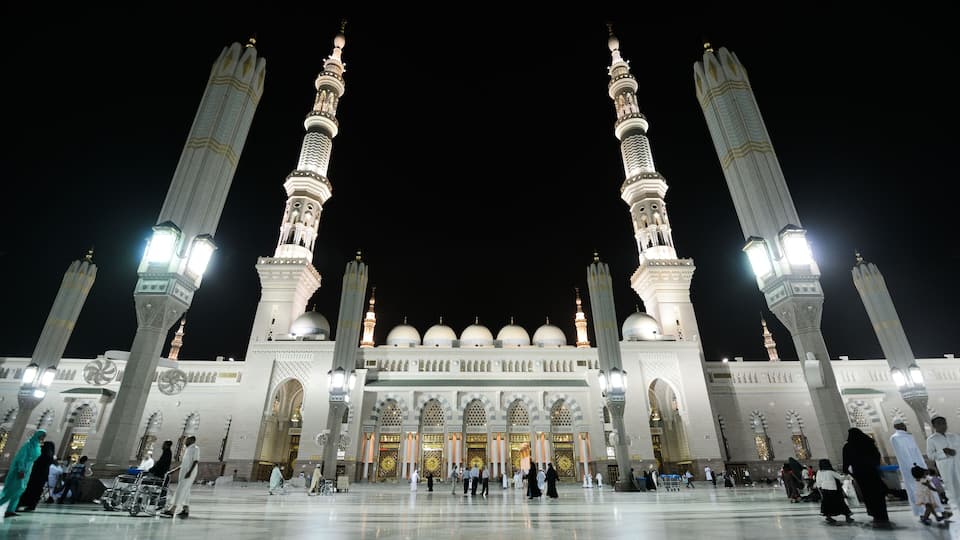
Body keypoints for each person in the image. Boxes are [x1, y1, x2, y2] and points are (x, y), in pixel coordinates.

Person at [890, 422, 942, 517]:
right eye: (902, 425)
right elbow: (903, 455)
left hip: (918, 466)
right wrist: (914, 467)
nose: (904, 426)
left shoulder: (909, 436)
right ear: (897, 426)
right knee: (918, 491)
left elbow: (916, 452)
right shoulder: (895, 438)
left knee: (927, 493)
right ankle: (923, 514)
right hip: (912, 470)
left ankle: (935, 512)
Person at [843, 427, 890, 527]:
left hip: (861, 475)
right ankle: (883, 515)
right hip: (872, 473)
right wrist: (873, 466)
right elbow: (877, 456)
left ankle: (875, 516)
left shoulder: (848, 446)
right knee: (878, 494)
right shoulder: (868, 443)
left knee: (869, 495)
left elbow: (846, 462)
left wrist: (849, 472)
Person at [0, 429, 45, 517]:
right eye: (42, 435)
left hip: (28, 469)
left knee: (20, 490)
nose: (43, 438)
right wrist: (21, 469)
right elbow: (22, 458)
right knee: (14, 489)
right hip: (21, 469)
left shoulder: (37, 446)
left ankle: (10, 510)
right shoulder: (28, 445)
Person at [161, 435, 199, 518]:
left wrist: (189, 472)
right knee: (186, 490)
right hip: (184, 472)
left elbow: (195, 461)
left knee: (181, 489)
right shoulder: (187, 449)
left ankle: (173, 509)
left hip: (189, 473)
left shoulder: (195, 448)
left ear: (192, 440)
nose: (185, 442)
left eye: (187, 440)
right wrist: (173, 470)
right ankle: (185, 509)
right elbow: (183, 464)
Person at [927, 416, 960, 512]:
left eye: (944, 423)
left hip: (958, 465)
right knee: (953, 489)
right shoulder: (932, 439)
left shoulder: (954, 436)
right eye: (939, 423)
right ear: (934, 426)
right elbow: (931, 455)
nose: (943, 425)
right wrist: (943, 451)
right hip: (947, 469)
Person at [19, 441, 56, 511]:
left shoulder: (41, 453)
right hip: (43, 475)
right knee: (37, 490)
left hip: (35, 474)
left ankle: (22, 503)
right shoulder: (51, 456)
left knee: (30, 488)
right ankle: (32, 505)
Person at [815, 459, 854, 524]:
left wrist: (820, 489)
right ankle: (847, 517)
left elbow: (818, 481)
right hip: (833, 490)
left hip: (824, 490)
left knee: (827, 504)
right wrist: (847, 475)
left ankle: (828, 516)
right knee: (840, 503)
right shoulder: (830, 471)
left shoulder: (819, 472)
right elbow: (840, 477)